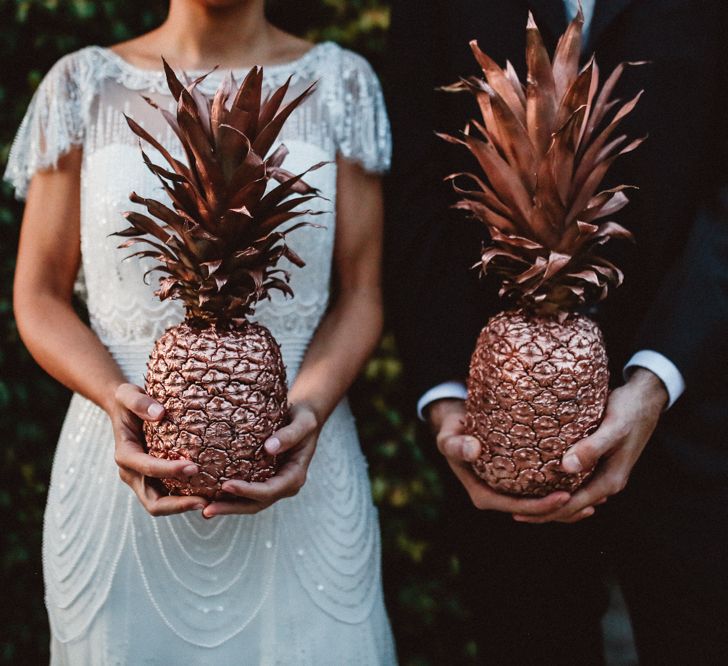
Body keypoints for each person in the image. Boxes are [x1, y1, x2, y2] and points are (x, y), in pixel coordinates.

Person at [6, 1, 396, 663]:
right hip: (114, 474)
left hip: (305, 459)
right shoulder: (81, 84)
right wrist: (114, 398)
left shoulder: (342, 82)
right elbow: (37, 296)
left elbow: (361, 296)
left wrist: (309, 411)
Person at [385, 0, 728, 664]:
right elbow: (417, 187)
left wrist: (660, 377)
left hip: (702, 407)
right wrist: (448, 395)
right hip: (500, 421)